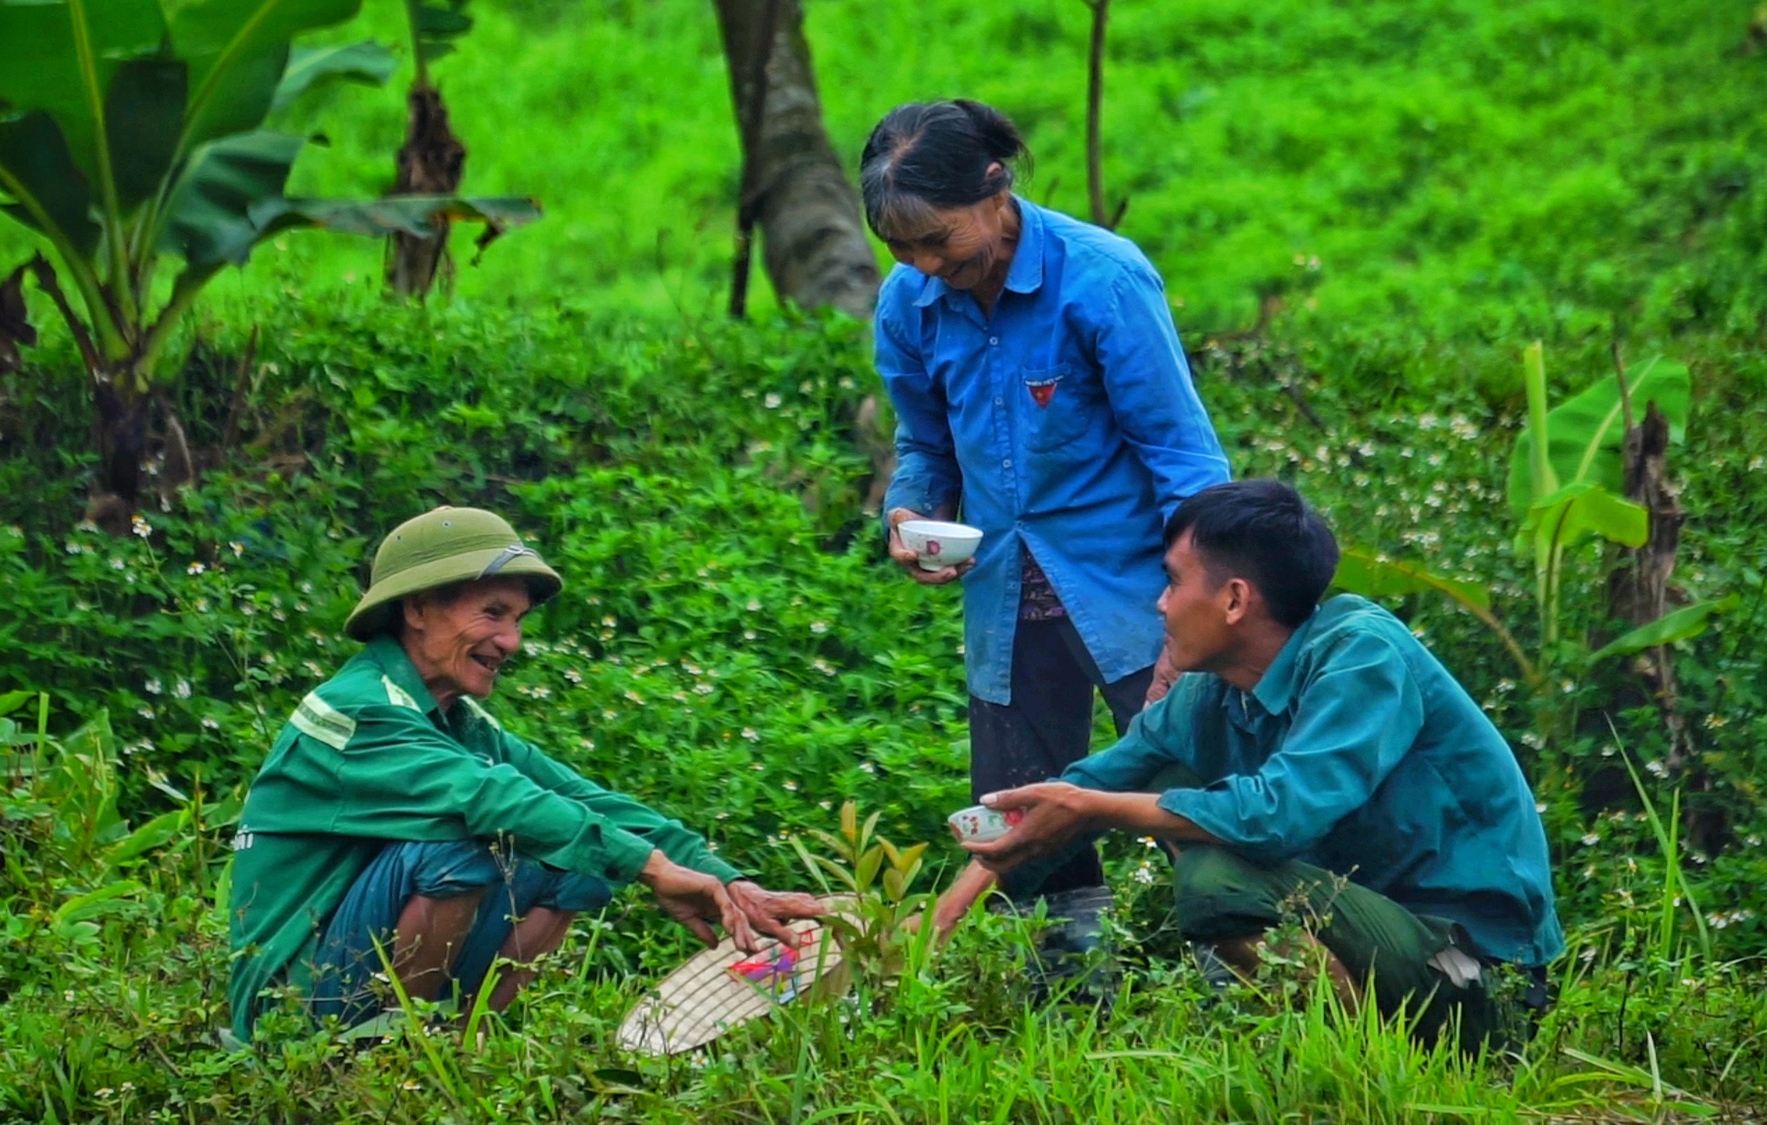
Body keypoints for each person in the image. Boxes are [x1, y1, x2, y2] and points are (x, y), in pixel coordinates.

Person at [958, 480, 1564, 1049]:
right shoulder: (1214, 690)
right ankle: (1312, 1043)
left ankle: (1357, 1070)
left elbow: (1281, 815)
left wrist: (1098, 809)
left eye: (1173, 582)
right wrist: (943, 916)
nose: (1161, 604)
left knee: (1217, 879)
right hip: (1371, 936)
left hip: (1475, 970)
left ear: (1234, 599)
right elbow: (1090, 785)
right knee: (1159, 779)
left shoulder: (1360, 654)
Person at [227, 507, 824, 1041]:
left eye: (518, 620)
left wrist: (725, 880)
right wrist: (653, 870)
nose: (510, 641)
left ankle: (459, 1046)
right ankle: (385, 1056)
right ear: (416, 608)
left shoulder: (452, 718)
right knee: (464, 845)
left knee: (575, 862)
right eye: (493, 613)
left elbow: (574, 797)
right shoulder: (357, 711)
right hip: (288, 1001)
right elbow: (492, 798)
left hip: (358, 959)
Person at [860, 99, 1230, 917]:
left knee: (1186, 782)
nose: (922, 263)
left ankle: (1237, 971)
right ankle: (1061, 983)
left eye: (936, 238)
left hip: (1132, 587)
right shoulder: (907, 302)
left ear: (996, 191)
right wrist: (910, 512)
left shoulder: (1102, 278)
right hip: (1003, 593)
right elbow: (925, 443)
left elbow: (1182, 457)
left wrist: (1188, 617)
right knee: (1020, 805)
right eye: (901, 247)